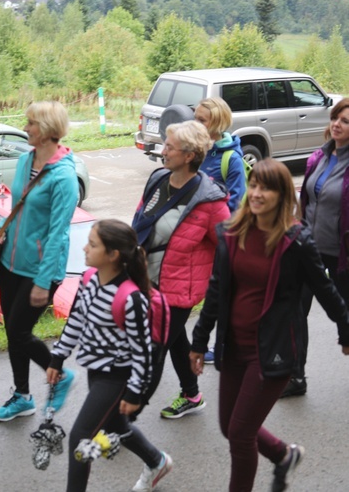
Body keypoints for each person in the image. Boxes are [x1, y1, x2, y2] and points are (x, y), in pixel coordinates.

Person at [190, 158, 349, 492]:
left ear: (282, 196)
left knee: (240, 434)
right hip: (233, 347)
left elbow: (326, 291)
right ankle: (283, 454)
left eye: (267, 187)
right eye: (254, 185)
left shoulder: (296, 241)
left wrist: (345, 329)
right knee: (228, 426)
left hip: (271, 352)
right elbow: (216, 290)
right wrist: (199, 341)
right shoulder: (232, 234)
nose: (257, 193)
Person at [48, 219, 173, 492]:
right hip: (96, 369)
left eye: (92, 245)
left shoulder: (131, 299)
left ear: (113, 255)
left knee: (81, 437)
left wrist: (134, 393)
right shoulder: (88, 279)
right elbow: (76, 321)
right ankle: (156, 461)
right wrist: (58, 357)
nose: (85, 248)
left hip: (117, 377)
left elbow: (142, 352)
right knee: (116, 426)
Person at [131, 120, 230, 419]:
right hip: (147, 280)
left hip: (179, 291)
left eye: (170, 147)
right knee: (175, 340)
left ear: (189, 155)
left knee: (153, 350)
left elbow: (230, 246)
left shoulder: (209, 200)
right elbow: (139, 221)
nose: (163, 151)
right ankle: (192, 394)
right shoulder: (158, 179)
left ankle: (124, 417)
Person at [0, 101, 79, 422]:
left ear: (48, 130)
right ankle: (22, 396)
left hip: (41, 270)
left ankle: (60, 373)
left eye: (31, 123)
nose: (25, 128)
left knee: (19, 331)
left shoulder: (64, 177)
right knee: (13, 334)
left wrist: (43, 281)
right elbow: (17, 207)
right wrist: (0, 230)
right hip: (11, 261)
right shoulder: (26, 160)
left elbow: (57, 233)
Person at [281, 97, 349, 398]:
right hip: (307, 248)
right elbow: (305, 203)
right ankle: (296, 376)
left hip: (342, 254)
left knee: (345, 314)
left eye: (345, 121)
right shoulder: (317, 158)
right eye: (336, 117)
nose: (337, 124)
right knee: (295, 309)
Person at [195, 97, 247, 364]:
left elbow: (238, 205)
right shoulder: (196, 151)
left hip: (222, 240)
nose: (196, 123)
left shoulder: (230, 159)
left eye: (201, 120)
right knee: (208, 293)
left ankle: (222, 345)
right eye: (195, 117)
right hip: (198, 239)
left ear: (216, 124)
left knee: (222, 294)